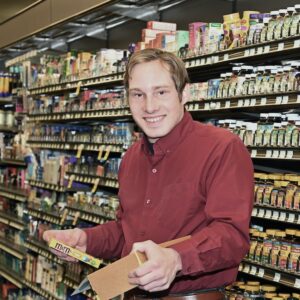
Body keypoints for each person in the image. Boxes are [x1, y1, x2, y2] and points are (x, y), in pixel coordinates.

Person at [43, 48, 254, 299]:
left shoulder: (222, 147)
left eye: (161, 92)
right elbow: (126, 231)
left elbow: (231, 236)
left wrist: (175, 259)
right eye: (138, 95)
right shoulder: (131, 157)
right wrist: (85, 239)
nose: (150, 106)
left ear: (184, 93)